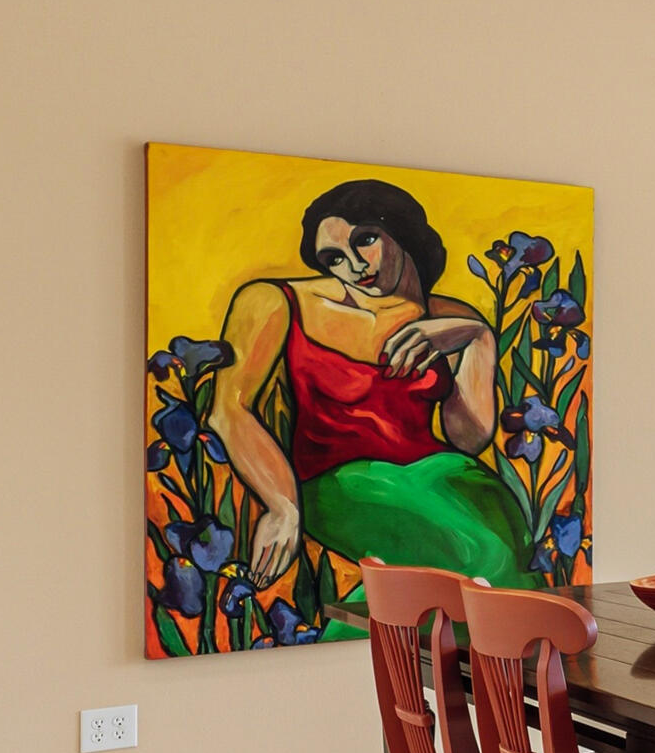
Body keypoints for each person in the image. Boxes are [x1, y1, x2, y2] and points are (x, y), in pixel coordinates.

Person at [206, 179, 536, 605]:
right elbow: (230, 409)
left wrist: (478, 339)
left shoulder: (453, 317)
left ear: (401, 231)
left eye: (365, 241)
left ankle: (377, 658)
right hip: (340, 483)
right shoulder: (276, 300)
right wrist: (281, 504)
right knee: (486, 559)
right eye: (334, 258)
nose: (354, 266)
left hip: (446, 477)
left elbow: (468, 439)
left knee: (508, 555)